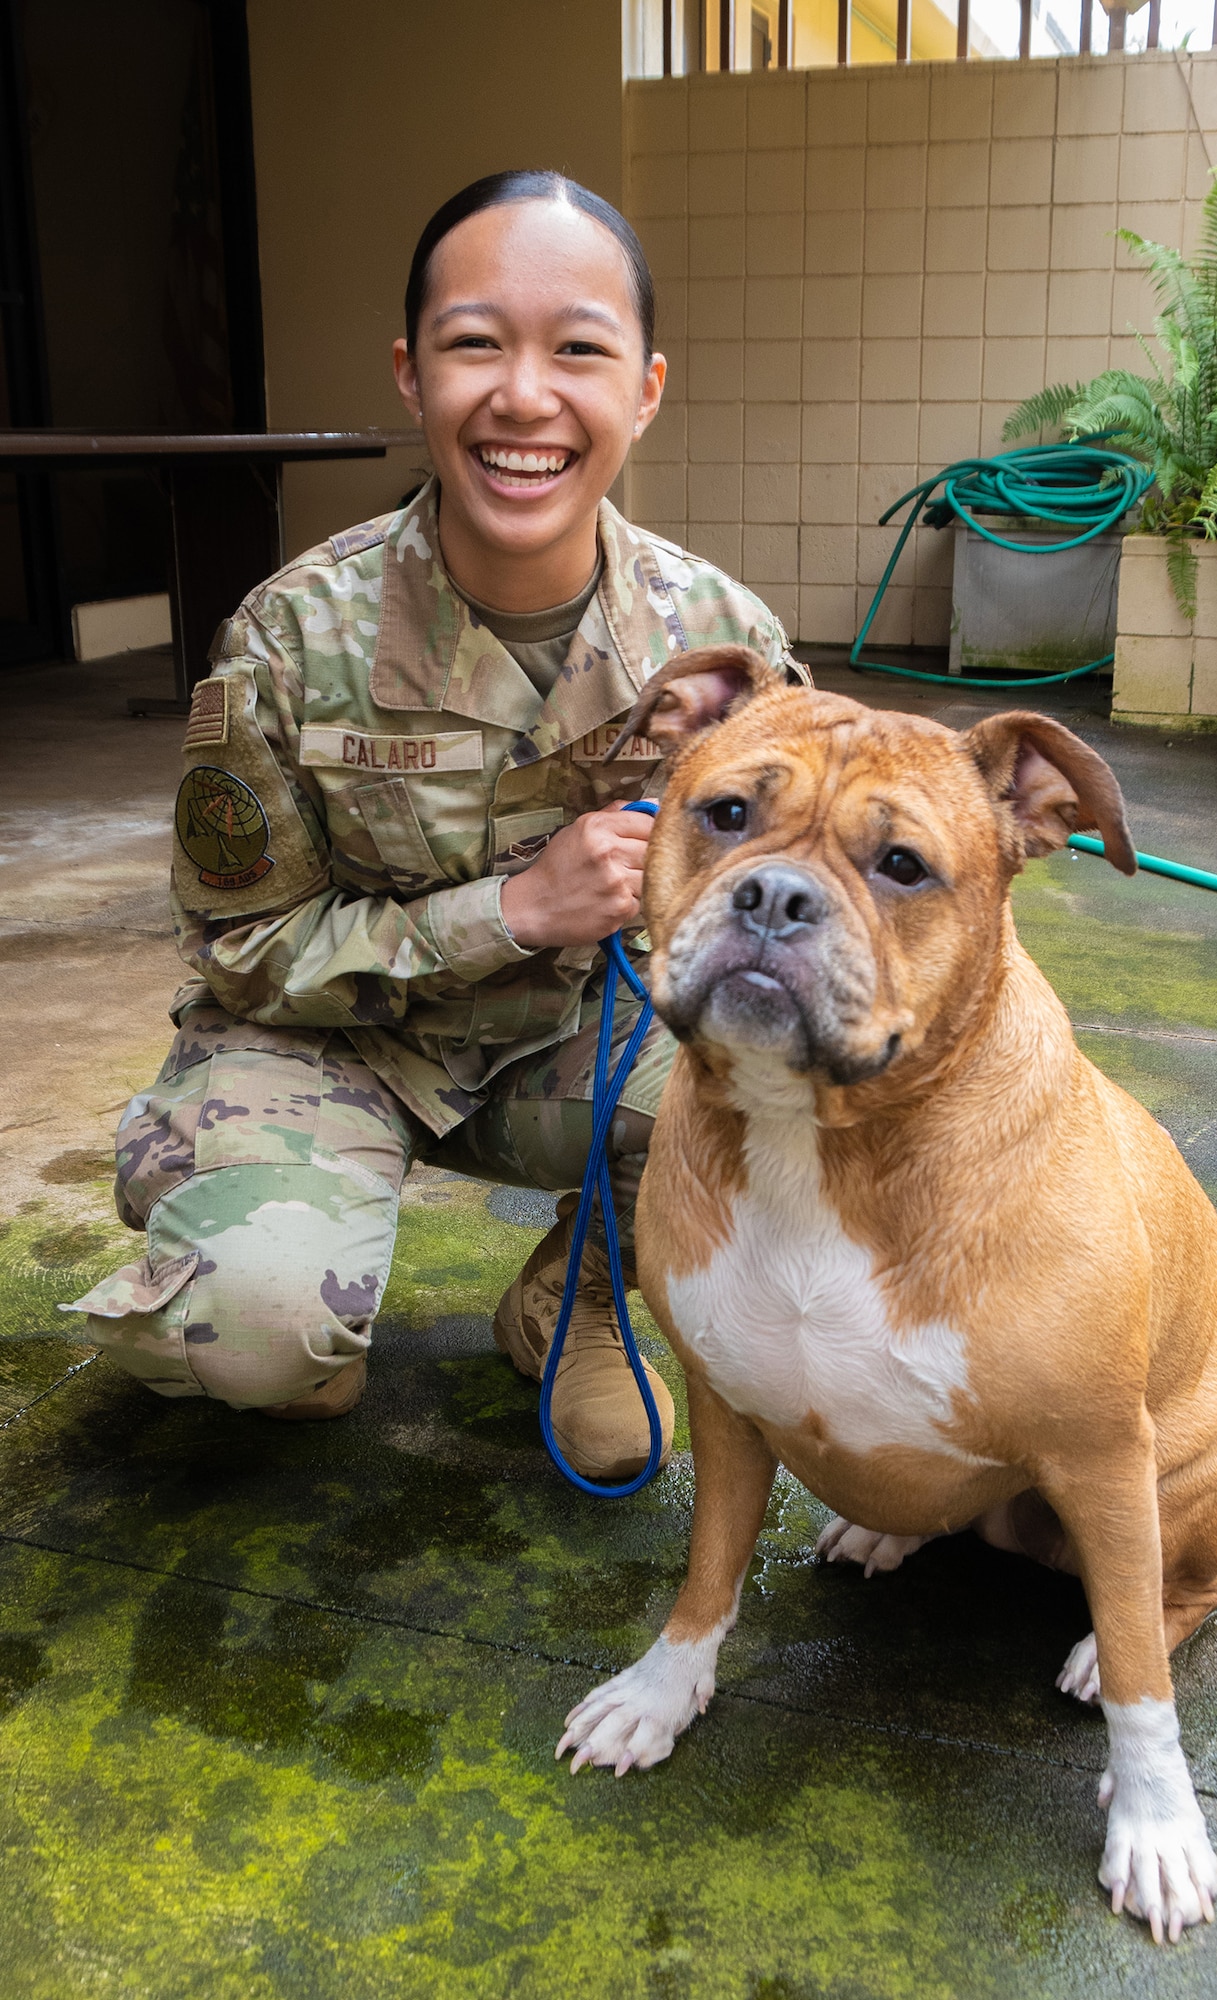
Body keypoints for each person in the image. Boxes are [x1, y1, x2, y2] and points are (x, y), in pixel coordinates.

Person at [72, 169, 809, 1482]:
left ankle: (571, 1304)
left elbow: (792, 902)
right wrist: (514, 911)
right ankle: (288, 1282)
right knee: (258, 1337)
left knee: (778, 1083)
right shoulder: (290, 639)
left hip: (563, 1049)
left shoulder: (723, 643)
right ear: (413, 376)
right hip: (328, 1046)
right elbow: (237, 950)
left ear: (642, 388)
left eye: (578, 350)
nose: (525, 397)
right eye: (478, 344)